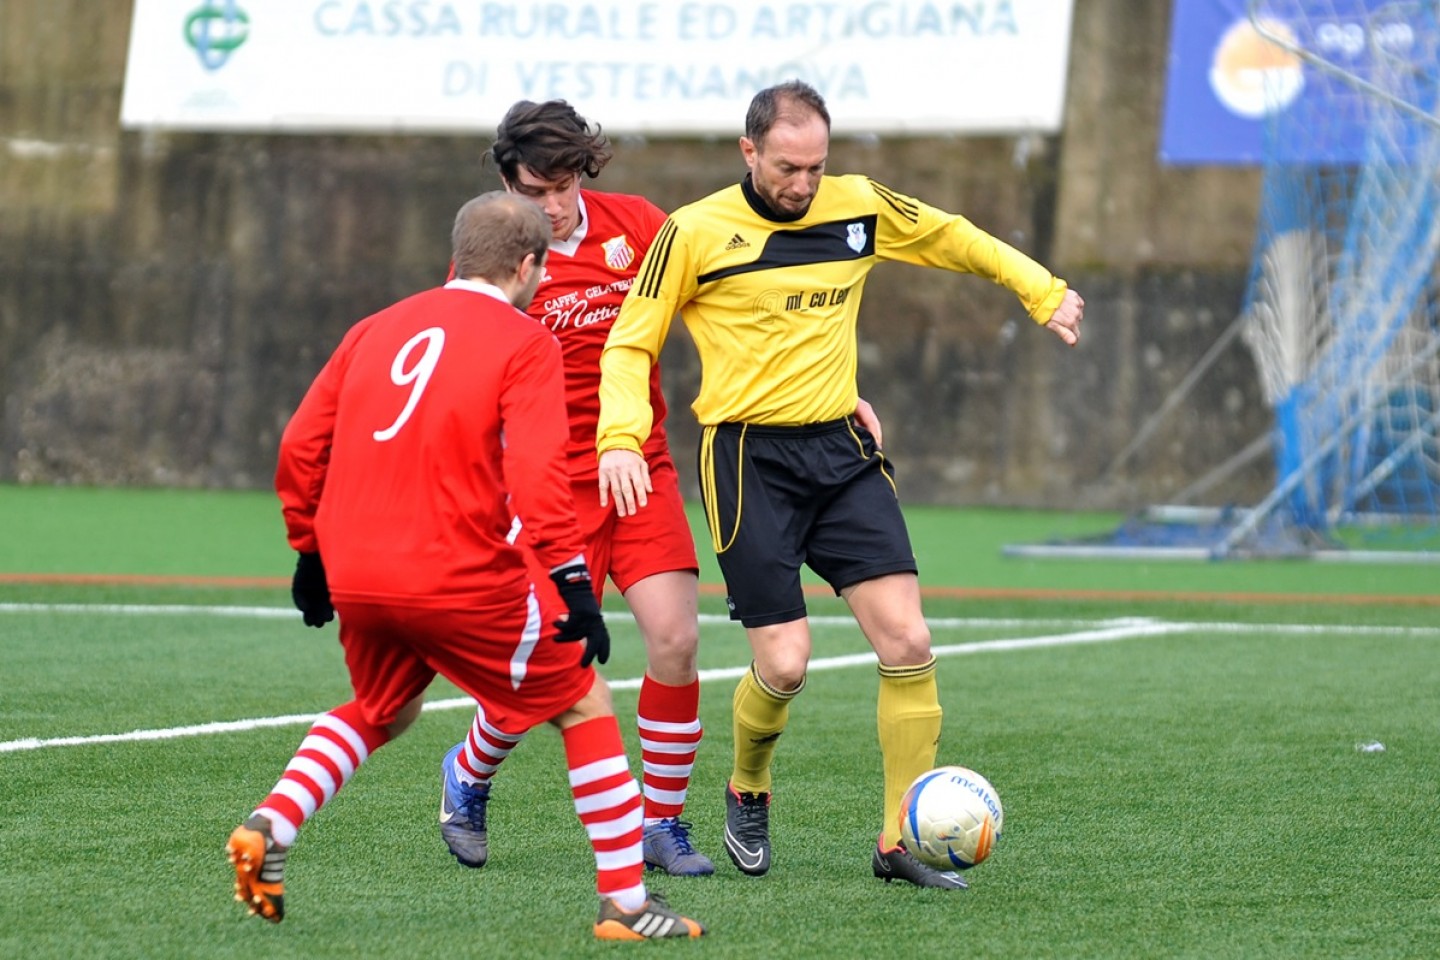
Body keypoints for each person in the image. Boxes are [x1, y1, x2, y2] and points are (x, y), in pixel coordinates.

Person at [595, 80, 1084, 890]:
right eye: (788, 167)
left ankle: (897, 841)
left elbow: (953, 237)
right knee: (785, 664)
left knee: (910, 641)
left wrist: (1039, 290)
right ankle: (747, 785)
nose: (804, 184)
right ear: (748, 151)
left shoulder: (857, 206)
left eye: (816, 167)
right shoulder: (692, 233)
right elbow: (629, 343)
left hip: (843, 451)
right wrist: (618, 437)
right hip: (749, 460)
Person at [226, 191, 705, 940]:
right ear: (527, 265)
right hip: (454, 574)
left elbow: (299, 448)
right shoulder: (525, 342)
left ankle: (272, 826)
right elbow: (541, 476)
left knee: (383, 708)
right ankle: (626, 904)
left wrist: (307, 551)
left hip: (358, 571)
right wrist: (572, 581)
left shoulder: (372, 329)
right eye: (542, 268)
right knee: (583, 702)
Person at [435, 99, 886, 878]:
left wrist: (832, 389)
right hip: (543, 488)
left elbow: (739, 299)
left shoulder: (640, 226)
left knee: (676, 640)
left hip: (639, 470)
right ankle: (469, 773)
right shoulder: (494, 256)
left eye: (565, 185)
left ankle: (662, 823)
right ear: (507, 183)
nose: (553, 205)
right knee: (548, 661)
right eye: (536, 190)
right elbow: (462, 367)